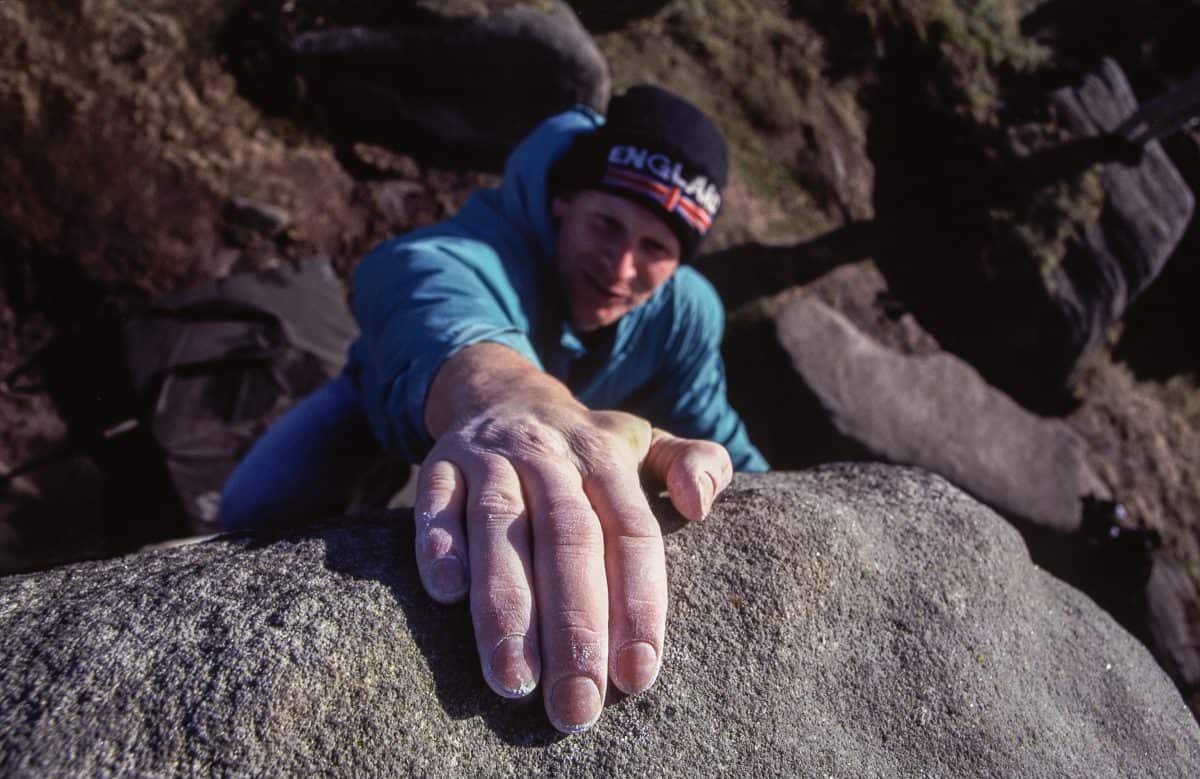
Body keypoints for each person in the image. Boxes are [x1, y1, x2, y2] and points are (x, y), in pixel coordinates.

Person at [220, 85, 768, 733]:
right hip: (386, 399)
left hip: (545, 441)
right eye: (607, 224)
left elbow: (716, 425)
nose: (622, 267)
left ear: (679, 263)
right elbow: (416, 277)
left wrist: (747, 480)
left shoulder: (684, 314)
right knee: (247, 509)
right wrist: (513, 396)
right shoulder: (492, 240)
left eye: (655, 248)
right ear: (564, 203)